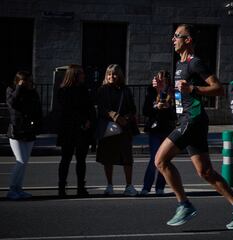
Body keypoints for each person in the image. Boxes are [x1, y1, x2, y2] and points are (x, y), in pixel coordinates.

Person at [153, 24, 233, 228]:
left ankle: (184, 204)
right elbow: (183, 95)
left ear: (187, 40)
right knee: (205, 172)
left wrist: (193, 88)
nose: (173, 39)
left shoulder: (195, 62)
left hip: (193, 119)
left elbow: (218, 89)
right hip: (187, 119)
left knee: (160, 160)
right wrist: (167, 93)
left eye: (176, 36)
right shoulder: (180, 65)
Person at [96, 64, 139, 196]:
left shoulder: (125, 90)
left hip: (124, 128)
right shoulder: (102, 90)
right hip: (107, 128)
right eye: (109, 74)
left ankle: (129, 186)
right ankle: (109, 185)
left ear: (119, 75)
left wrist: (126, 117)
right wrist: (115, 116)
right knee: (107, 157)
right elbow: (101, 108)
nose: (111, 76)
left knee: (127, 157)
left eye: (114, 74)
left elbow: (133, 108)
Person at [56, 64, 96, 197]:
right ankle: (61, 187)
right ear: (74, 75)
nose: (84, 76)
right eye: (81, 73)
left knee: (81, 160)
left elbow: (90, 108)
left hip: (83, 130)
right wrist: (82, 121)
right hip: (69, 129)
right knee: (66, 159)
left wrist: (89, 121)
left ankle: (80, 187)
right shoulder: (63, 91)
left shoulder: (84, 89)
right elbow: (66, 111)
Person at [6, 71, 42, 200]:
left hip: (29, 130)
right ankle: (11, 189)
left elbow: (38, 110)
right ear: (19, 81)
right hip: (16, 131)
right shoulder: (11, 90)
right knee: (20, 161)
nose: (29, 83)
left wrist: (38, 124)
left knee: (25, 162)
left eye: (30, 81)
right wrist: (19, 88)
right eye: (26, 81)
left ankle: (18, 189)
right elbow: (12, 104)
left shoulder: (33, 93)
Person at [140, 70, 176, 196]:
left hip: (168, 130)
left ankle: (160, 187)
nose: (161, 82)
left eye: (164, 79)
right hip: (155, 130)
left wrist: (169, 107)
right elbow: (145, 111)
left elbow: (179, 112)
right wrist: (156, 107)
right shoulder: (151, 92)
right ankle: (146, 187)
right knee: (154, 159)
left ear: (168, 80)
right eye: (159, 79)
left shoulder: (174, 92)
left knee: (164, 160)